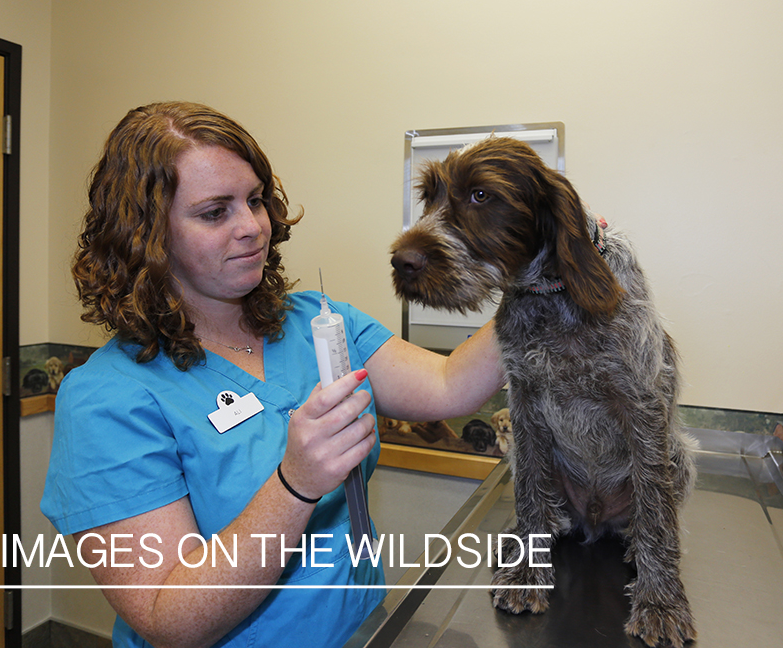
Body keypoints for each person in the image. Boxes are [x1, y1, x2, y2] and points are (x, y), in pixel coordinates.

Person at [41, 102, 504, 648]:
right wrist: (295, 484)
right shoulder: (106, 398)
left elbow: (454, 385)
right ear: (147, 235)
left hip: (364, 632)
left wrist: (546, 279)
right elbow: (169, 618)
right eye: (215, 212)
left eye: (255, 200)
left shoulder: (318, 322)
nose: (253, 228)